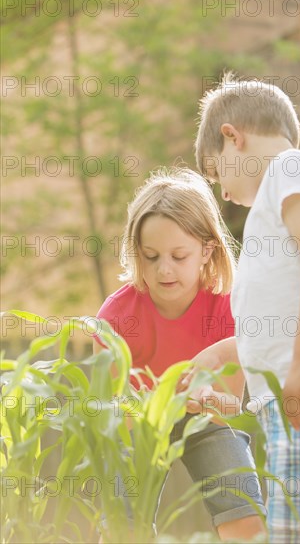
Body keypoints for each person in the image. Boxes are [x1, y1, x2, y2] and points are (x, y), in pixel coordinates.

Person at [187, 72, 300, 543]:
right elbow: (276, 316)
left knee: (298, 533)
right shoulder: (273, 206)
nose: (223, 193)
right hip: (294, 394)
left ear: (233, 137)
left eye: (217, 173)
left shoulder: (289, 169)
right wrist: (223, 354)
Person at [94, 167, 266, 541]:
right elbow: (112, 413)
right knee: (123, 515)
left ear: (207, 250)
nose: (164, 269)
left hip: (204, 423)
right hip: (138, 427)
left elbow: (229, 405)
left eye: (178, 255)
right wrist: (154, 404)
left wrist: (206, 400)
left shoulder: (226, 310)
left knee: (240, 500)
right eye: (151, 256)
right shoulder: (116, 318)